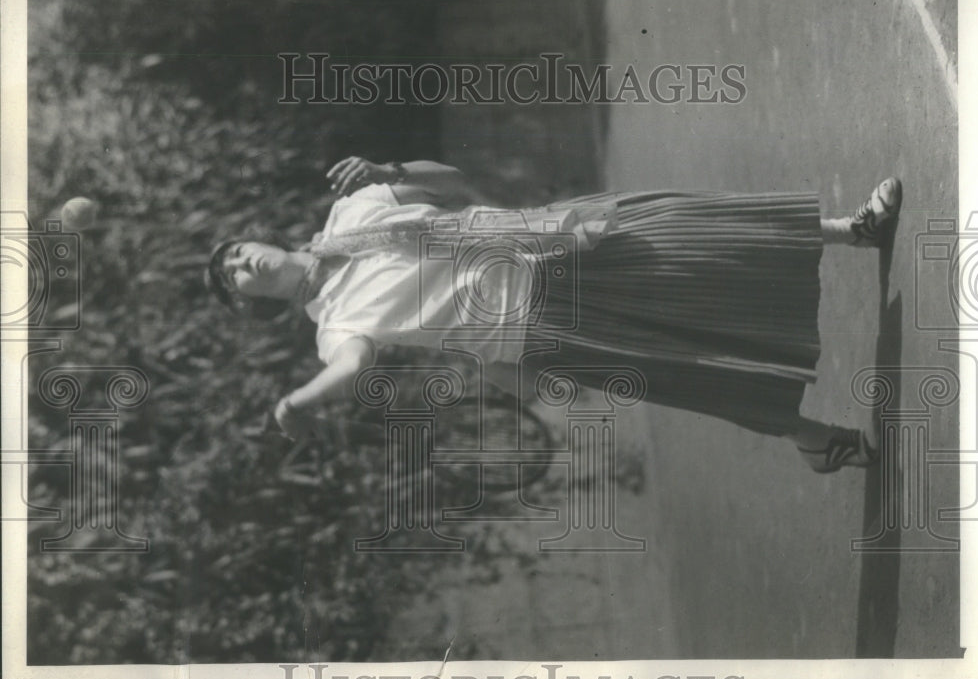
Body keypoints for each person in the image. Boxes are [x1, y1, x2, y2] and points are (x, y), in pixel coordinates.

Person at [206, 157, 902, 473]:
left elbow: (451, 183)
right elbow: (354, 366)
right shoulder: (334, 327)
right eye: (237, 276)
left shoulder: (351, 210)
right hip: (541, 327)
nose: (246, 263)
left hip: (556, 236)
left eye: (239, 250)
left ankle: (852, 229)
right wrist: (297, 400)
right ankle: (816, 439)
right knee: (692, 369)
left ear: (259, 238)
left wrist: (387, 169)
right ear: (250, 303)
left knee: (691, 223)